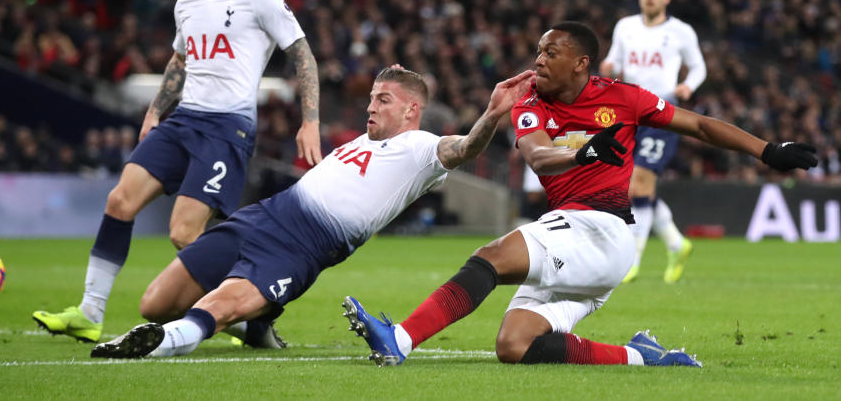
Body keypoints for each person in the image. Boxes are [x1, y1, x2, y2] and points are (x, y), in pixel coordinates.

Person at [344, 21, 816, 367]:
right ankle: (643, 357)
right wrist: (583, 152)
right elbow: (538, 156)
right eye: (538, 51)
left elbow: (697, 125)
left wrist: (767, 149)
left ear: (581, 63)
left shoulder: (624, 98)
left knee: (492, 256)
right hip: (574, 236)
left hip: (604, 230)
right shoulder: (530, 102)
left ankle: (401, 340)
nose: (539, 61)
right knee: (515, 346)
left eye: (551, 53)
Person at [87, 66, 535, 359]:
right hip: (262, 216)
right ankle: (257, 322)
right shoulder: (361, 139)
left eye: (382, 99)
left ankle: (159, 347)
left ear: (411, 109)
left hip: (301, 248)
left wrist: (493, 114)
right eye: (372, 97)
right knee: (155, 303)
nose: (369, 105)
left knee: (215, 308)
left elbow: (464, 148)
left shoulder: (421, 149)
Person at [32, 0, 323, 348]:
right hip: (182, 120)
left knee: (183, 233)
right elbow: (179, 62)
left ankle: (247, 316)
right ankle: (89, 312)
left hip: (227, 130)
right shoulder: (186, 3)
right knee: (120, 200)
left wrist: (311, 121)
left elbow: (303, 55)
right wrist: (154, 112)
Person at [599, 0, 707, 283]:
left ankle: (631, 260)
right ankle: (676, 242)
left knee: (640, 184)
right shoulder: (625, 27)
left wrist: (688, 85)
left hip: (662, 111)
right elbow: (614, 61)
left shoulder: (681, 31)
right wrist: (609, 67)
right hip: (628, 110)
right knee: (633, 185)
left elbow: (699, 66)